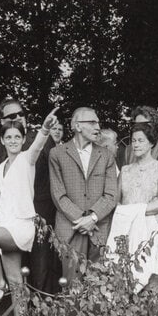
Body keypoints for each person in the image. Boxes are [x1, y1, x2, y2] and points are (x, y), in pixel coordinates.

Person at [0, 109, 60, 316]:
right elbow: (1, 202)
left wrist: (45, 128)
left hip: (22, 226)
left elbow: (39, 144)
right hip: (5, 225)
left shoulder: (26, 159)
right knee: (16, 282)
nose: (13, 141)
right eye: (9, 137)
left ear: (23, 140)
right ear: (2, 140)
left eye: (17, 137)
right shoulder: (0, 168)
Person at [0, 97, 60, 294]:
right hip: (10, 219)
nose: (19, 118)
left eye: (22, 114)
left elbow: (52, 174)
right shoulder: (0, 150)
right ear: (2, 121)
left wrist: (45, 129)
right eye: (12, 115)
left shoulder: (38, 141)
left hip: (40, 211)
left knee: (40, 267)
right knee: (17, 271)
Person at [49, 106, 118, 282]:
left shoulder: (107, 155)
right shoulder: (57, 153)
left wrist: (93, 218)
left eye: (98, 123)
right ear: (77, 126)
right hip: (71, 228)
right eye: (92, 122)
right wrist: (82, 219)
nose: (98, 127)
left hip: (99, 229)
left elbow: (111, 194)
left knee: (99, 286)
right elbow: (58, 194)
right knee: (72, 286)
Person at [112, 122, 158, 286]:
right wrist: (127, 216)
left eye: (141, 140)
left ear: (152, 142)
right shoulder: (125, 170)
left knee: (154, 277)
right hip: (128, 228)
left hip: (154, 229)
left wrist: (133, 212)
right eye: (134, 141)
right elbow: (116, 201)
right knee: (127, 273)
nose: (136, 144)